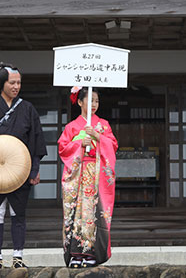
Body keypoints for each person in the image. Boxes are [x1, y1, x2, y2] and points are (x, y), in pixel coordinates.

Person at [0, 63, 47, 269]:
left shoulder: (28, 109)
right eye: (12, 82)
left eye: (19, 83)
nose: (16, 86)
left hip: (20, 169)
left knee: (18, 213)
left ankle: (18, 256)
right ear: (1, 83)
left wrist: (35, 169)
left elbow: (36, 140)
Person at [58, 87, 118, 268]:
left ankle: (93, 253)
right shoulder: (72, 127)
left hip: (96, 175)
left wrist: (98, 137)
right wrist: (79, 144)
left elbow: (113, 146)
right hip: (78, 174)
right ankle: (76, 254)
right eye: (90, 100)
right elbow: (63, 148)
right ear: (80, 102)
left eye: (96, 101)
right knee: (76, 214)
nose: (94, 105)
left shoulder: (104, 125)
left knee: (95, 214)